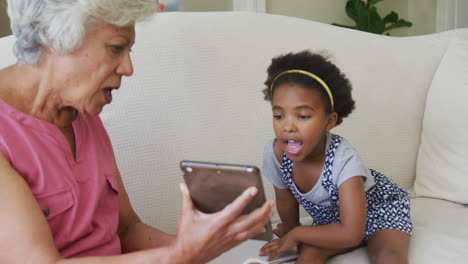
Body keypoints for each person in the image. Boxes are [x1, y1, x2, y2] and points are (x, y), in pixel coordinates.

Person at [0, 1, 274, 263]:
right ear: (55, 37)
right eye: (116, 48)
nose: (128, 68)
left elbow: (127, 230)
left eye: (129, 50)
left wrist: (210, 245)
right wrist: (181, 256)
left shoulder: (82, 109)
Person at [258, 50, 412, 264]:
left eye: (302, 116)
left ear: (329, 122)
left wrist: (297, 234)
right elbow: (285, 200)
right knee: (308, 255)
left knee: (389, 257)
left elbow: (351, 233)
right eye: (278, 115)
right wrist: (290, 234)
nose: (288, 126)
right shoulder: (276, 154)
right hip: (335, 224)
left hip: (379, 209)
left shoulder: (343, 158)